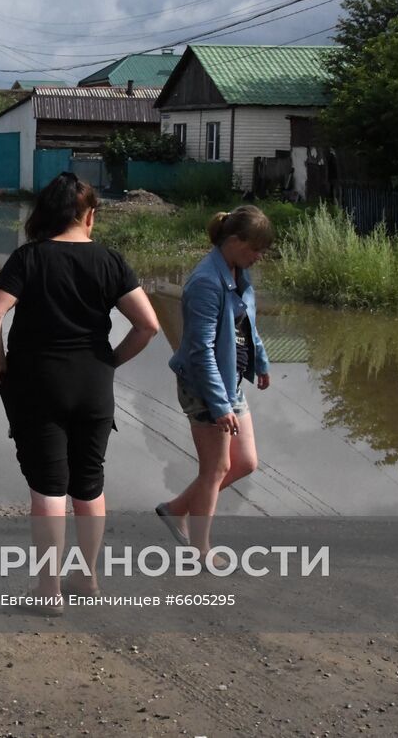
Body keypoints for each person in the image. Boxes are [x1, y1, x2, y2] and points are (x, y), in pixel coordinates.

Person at [0, 173, 160, 607]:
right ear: (89, 215)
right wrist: (110, 361)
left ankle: (49, 591)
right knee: (89, 486)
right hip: (94, 386)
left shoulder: (29, 258)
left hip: (39, 386)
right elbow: (149, 325)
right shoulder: (111, 261)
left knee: (48, 490)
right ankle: (88, 579)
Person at [157, 205, 273, 568]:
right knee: (216, 468)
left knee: (246, 462)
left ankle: (176, 509)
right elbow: (198, 349)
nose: (259, 256)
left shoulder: (237, 272)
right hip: (206, 386)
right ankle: (200, 550)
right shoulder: (206, 281)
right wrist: (219, 405)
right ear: (234, 241)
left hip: (230, 380)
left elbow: (246, 327)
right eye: (254, 248)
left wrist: (261, 364)